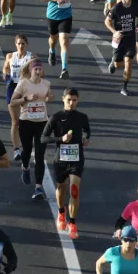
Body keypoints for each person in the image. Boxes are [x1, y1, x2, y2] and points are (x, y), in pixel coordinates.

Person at [41, 87, 91, 236]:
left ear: (78, 100)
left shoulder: (82, 117)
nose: (71, 103)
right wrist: (60, 139)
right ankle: (61, 212)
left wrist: (86, 138)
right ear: (63, 99)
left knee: (74, 190)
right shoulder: (56, 117)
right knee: (61, 188)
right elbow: (43, 138)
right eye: (69, 100)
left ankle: (72, 223)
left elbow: (87, 130)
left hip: (76, 159)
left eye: (74, 100)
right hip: (61, 160)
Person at [9, 61, 52, 190]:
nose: (38, 72)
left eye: (40, 69)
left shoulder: (46, 83)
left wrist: (49, 98)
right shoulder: (23, 84)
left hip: (42, 122)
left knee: (39, 155)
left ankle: (38, 187)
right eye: (35, 69)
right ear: (31, 71)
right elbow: (12, 102)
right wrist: (26, 99)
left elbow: (48, 97)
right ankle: (26, 167)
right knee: (27, 151)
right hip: (26, 122)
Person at [39, 0, 76, 79]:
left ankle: (64, 69)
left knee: (64, 41)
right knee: (53, 39)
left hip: (66, 15)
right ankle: (52, 50)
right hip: (53, 15)